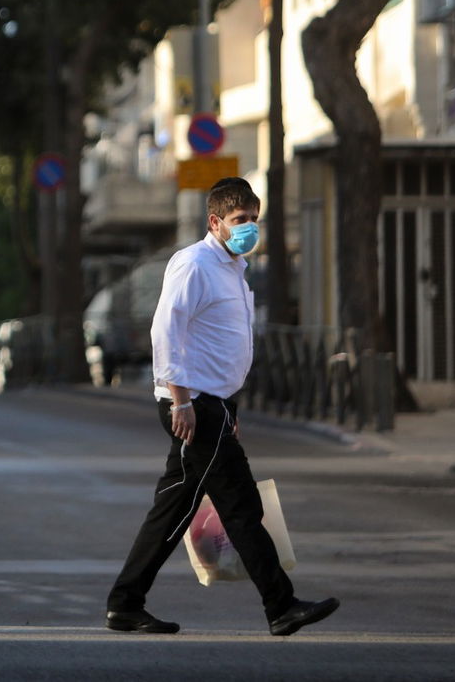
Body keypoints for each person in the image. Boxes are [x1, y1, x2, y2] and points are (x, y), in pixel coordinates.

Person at [105, 177, 340, 636]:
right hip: (193, 405)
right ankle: (281, 605)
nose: (250, 228)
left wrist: (228, 410)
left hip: (213, 406)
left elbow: (220, 345)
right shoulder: (194, 264)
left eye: (254, 219)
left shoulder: (234, 268)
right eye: (240, 220)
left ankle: (125, 603)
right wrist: (183, 401)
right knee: (241, 506)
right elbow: (165, 333)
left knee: (172, 508)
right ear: (215, 222)